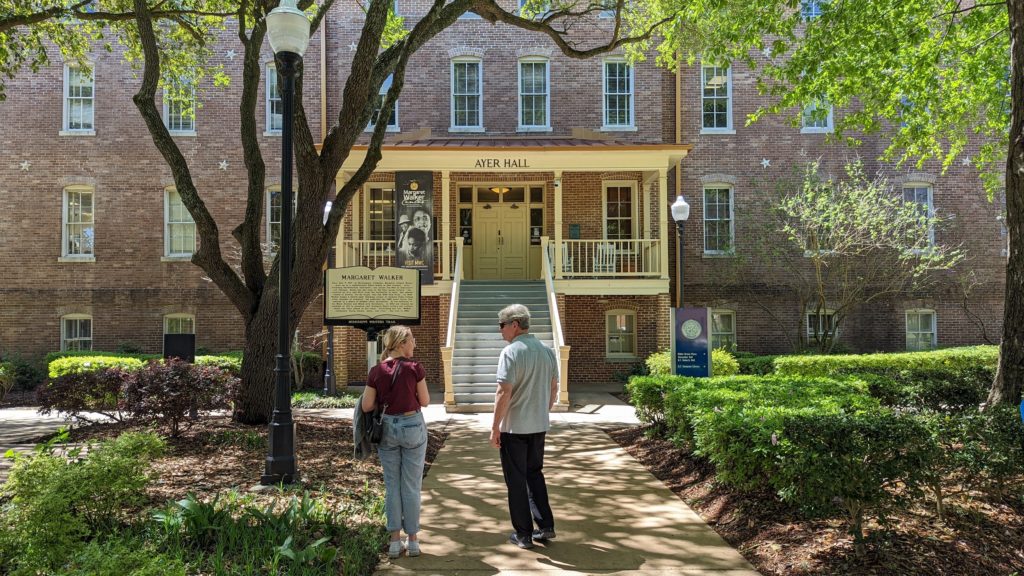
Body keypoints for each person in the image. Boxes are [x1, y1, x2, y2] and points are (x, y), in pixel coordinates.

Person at [490, 304, 559, 550]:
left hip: (514, 428)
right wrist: (543, 410)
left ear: (515, 324)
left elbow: (503, 391)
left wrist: (495, 426)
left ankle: (523, 533)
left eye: (502, 325)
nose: (500, 331)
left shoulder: (511, 352)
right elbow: (553, 387)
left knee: (516, 480)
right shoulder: (547, 351)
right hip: (538, 425)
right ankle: (546, 525)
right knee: (535, 474)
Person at [362, 325, 430, 559]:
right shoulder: (415, 369)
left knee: (392, 486)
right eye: (412, 340)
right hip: (413, 428)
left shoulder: (376, 371)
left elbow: (366, 406)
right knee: (411, 486)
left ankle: (394, 542)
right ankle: (412, 541)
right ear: (401, 343)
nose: (414, 344)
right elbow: (426, 400)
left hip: (387, 429)